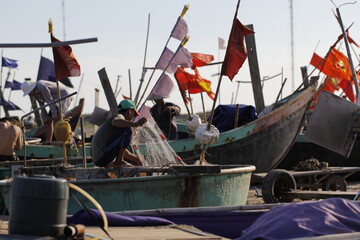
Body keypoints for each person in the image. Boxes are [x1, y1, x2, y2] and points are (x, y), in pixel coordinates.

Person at [91, 99, 147, 168]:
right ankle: (119, 161)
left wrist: (137, 160)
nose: (133, 117)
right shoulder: (119, 117)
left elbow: (123, 151)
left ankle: (118, 161)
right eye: (134, 114)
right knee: (128, 129)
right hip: (101, 157)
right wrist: (135, 124)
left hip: (99, 159)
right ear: (129, 111)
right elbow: (114, 122)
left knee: (126, 130)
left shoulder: (119, 124)